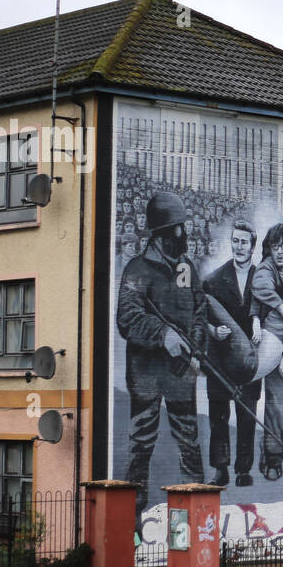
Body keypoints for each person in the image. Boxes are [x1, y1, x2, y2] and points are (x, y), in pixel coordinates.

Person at [116, 191, 208, 525]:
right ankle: (132, 517)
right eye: (177, 229)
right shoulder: (137, 269)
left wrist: (196, 345)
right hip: (147, 375)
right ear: (161, 234)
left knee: (190, 441)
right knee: (141, 443)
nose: (183, 235)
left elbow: (200, 308)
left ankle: (196, 513)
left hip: (182, 373)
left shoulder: (185, 268)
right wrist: (162, 334)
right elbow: (127, 316)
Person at [201, 220, 262, 488]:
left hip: (250, 361)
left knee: (247, 416)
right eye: (235, 241)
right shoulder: (213, 281)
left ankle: (243, 470)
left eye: (244, 242)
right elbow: (199, 319)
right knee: (219, 416)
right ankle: (220, 468)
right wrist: (214, 331)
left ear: (253, 246)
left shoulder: (263, 280)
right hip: (220, 360)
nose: (239, 247)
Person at [251, 223, 283, 481]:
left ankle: (273, 436)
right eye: (275, 246)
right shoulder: (265, 268)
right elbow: (259, 286)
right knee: (276, 400)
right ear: (269, 249)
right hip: (271, 342)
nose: (280, 252)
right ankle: (272, 458)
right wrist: (282, 308)